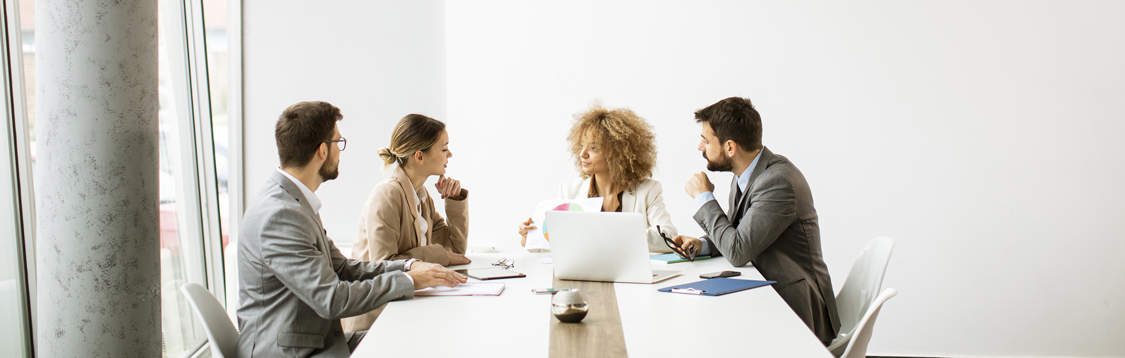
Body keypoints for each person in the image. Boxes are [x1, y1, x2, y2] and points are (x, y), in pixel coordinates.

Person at [236, 102, 465, 358]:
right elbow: (331, 299)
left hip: (316, 341)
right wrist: (409, 280)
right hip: (293, 352)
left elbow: (343, 269)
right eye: (338, 142)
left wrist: (408, 266)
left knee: (420, 340)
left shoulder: (294, 202)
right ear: (323, 150)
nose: (340, 151)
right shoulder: (280, 214)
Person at [672, 97, 841, 346]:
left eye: (706, 140)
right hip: (770, 295)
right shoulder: (747, 174)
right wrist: (702, 245)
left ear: (730, 147)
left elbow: (738, 251)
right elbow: (737, 233)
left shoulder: (777, 182)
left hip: (798, 310)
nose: (700, 146)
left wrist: (703, 197)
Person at [343, 114, 470, 332]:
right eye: (444, 149)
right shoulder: (387, 195)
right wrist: (440, 255)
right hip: (373, 323)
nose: (450, 154)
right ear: (419, 156)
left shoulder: (421, 194)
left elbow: (455, 249)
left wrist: (454, 199)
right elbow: (384, 265)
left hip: (406, 310)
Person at [519, 102, 677, 253]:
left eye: (593, 147)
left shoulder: (648, 190)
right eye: (582, 145)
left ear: (617, 153)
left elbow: (669, 237)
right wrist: (529, 238)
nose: (583, 154)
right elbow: (554, 243)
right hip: (582, 273)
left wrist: (612, 233)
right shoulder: (568, 191)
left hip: (629, 275)